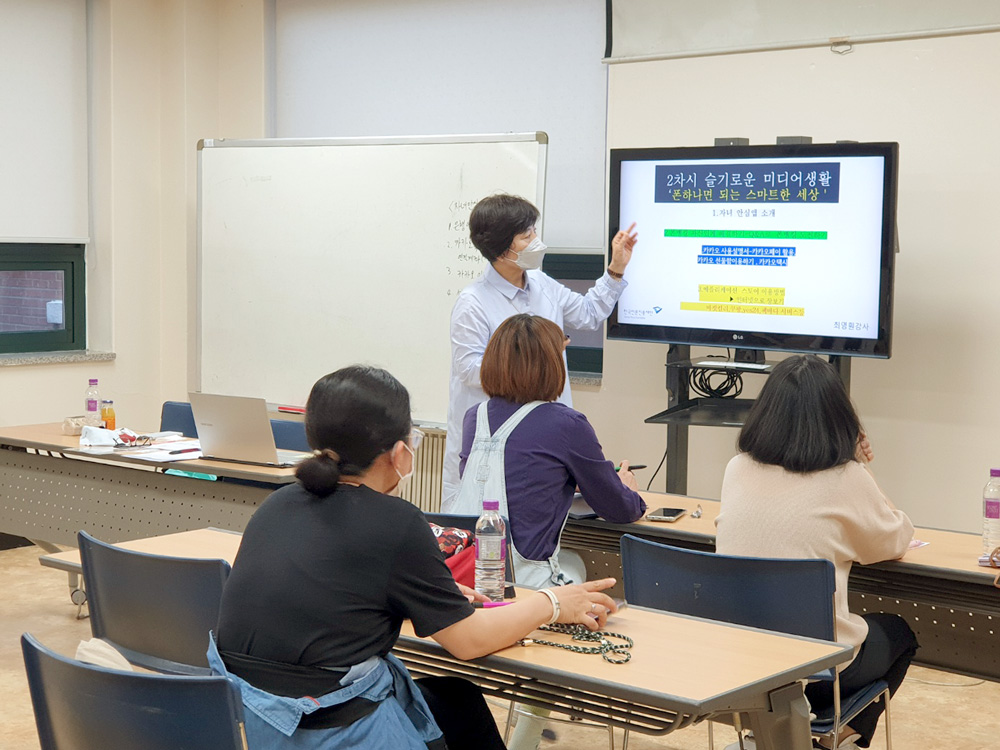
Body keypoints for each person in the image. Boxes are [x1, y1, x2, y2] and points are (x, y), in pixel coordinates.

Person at [212, 365, 619, 750]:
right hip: (329, 724)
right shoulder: (397, 522)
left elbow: (325, 599)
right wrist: (551, 603)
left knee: (457, 700)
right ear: (400, 453)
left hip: (254, 721)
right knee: (459, 708)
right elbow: (469, 642)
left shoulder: (278, 504)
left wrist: (423, 596)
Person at [715, 355, 917, 750]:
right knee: (899, 634)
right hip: (814, 673)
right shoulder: (846, 477)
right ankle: (838, 739)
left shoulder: (736, 468)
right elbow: (896, 538)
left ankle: (774, 734)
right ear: (839, 416)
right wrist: (862, 467)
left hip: (738, 669)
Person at [443, 193, 638, 510]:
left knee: (543, 513)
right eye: (526, 235)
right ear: (502, 248)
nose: (536, 241)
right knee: (489, 524)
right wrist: (539, 355)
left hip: (547, 430)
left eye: (534, 230)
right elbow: (469, 370)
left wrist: (616, 269)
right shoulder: (473, 302)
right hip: (495, 441)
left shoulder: (541, 283)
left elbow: (589, 314)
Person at [455, 314, 647, 587]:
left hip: (463, 577)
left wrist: (560, 481)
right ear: (551, 366)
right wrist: (628, 490)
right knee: (575, 563)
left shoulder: (474, 417)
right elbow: (619, 509)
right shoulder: (567, 424)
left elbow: (494, 481)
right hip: (522, 585)